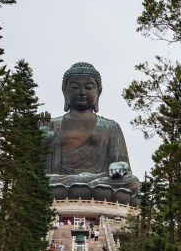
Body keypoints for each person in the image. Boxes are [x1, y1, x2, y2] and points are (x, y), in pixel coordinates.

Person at [41, 62, 142, 201]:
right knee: (35, 181)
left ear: (98, 92)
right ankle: (86, 187)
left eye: (88, 87)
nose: (82, 92)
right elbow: (38, 170)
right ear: (65, 91)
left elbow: (123, 169)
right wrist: (43, 142)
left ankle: (88, 186)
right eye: (75, 87)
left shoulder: (110, 126)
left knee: (132, 182)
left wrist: (112, 171)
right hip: (60, 182)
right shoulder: (52, 125)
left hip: (98, 182)